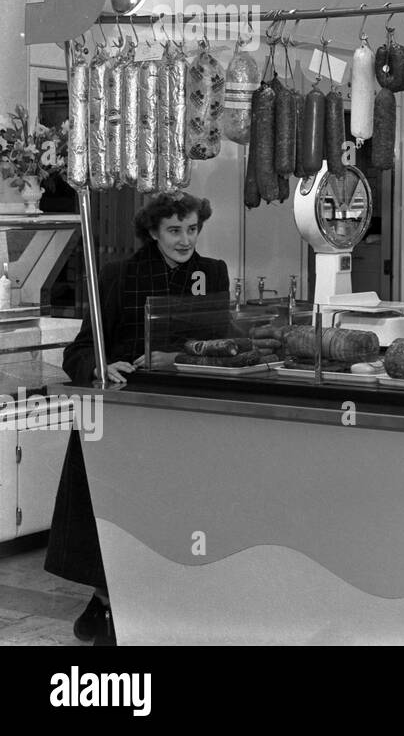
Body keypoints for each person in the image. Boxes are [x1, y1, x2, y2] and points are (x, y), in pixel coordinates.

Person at [48, 191, 229, 645]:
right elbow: (80, 350)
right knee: (113, 516)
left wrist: (191, 357)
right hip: (122, 415)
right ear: (152, 231)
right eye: (174, 230)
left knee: (167, 519)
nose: (186, 240)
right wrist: (101, 367)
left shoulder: (213, 273)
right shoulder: (117, 275)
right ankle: (109, 603)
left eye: (192, 229)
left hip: (184, 417)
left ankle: (123, 603)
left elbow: (225, 340)